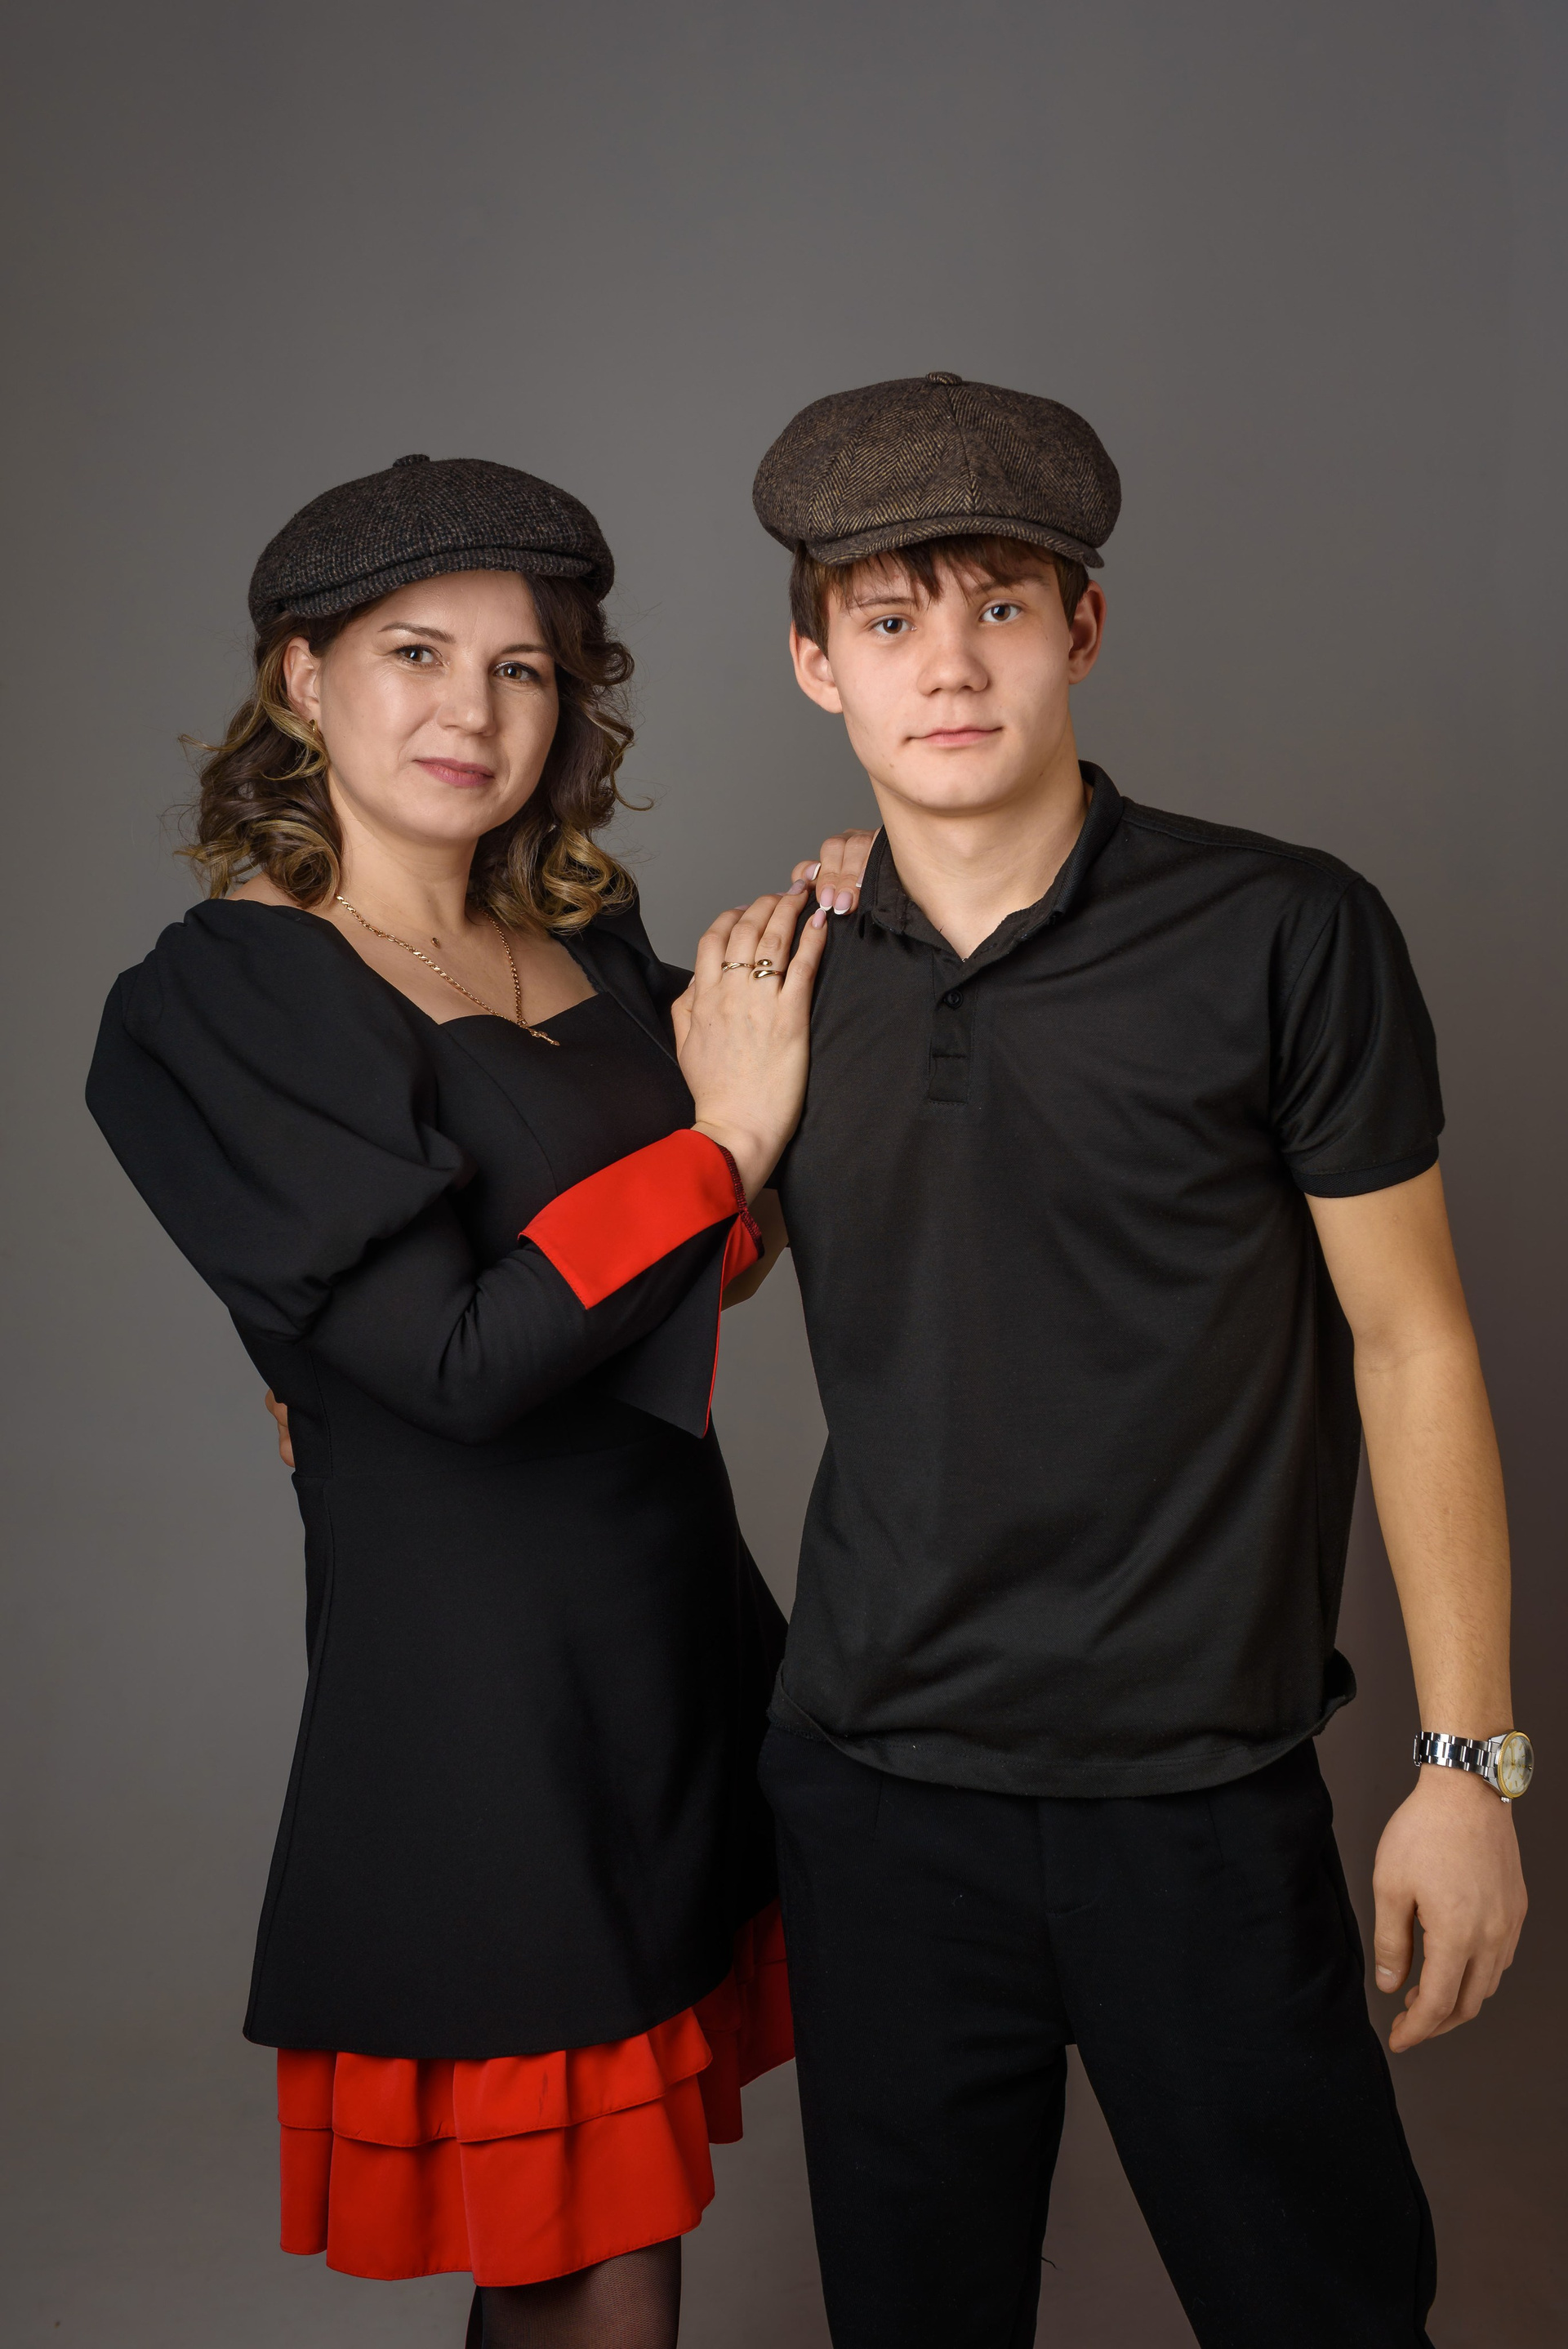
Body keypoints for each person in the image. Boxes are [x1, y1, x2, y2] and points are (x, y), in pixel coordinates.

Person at [742, 374, 1532, 2348]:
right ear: (815, 662)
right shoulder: (771, 979)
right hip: (875, 1792)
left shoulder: (1286, 932)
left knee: (1327, 2315)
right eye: (890, 618)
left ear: (1084, 627)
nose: (950, 666)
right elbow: (621, 1294)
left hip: (1198, 1793)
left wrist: (1468, 1766)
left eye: (1000, 606)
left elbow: (1414, 1342)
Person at [86, 452, 837, 2349]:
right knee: (594, 2259)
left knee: (621, 2234)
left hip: (678, 1636)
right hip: (482, 1695)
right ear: (301, 677)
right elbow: (459, 1364)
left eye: (524, 668)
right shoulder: (228, 994)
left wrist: (847, 928)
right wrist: (725, 1140)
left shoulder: (587, 935)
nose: (475, 711)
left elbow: (710, 1265)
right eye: (416, 653)